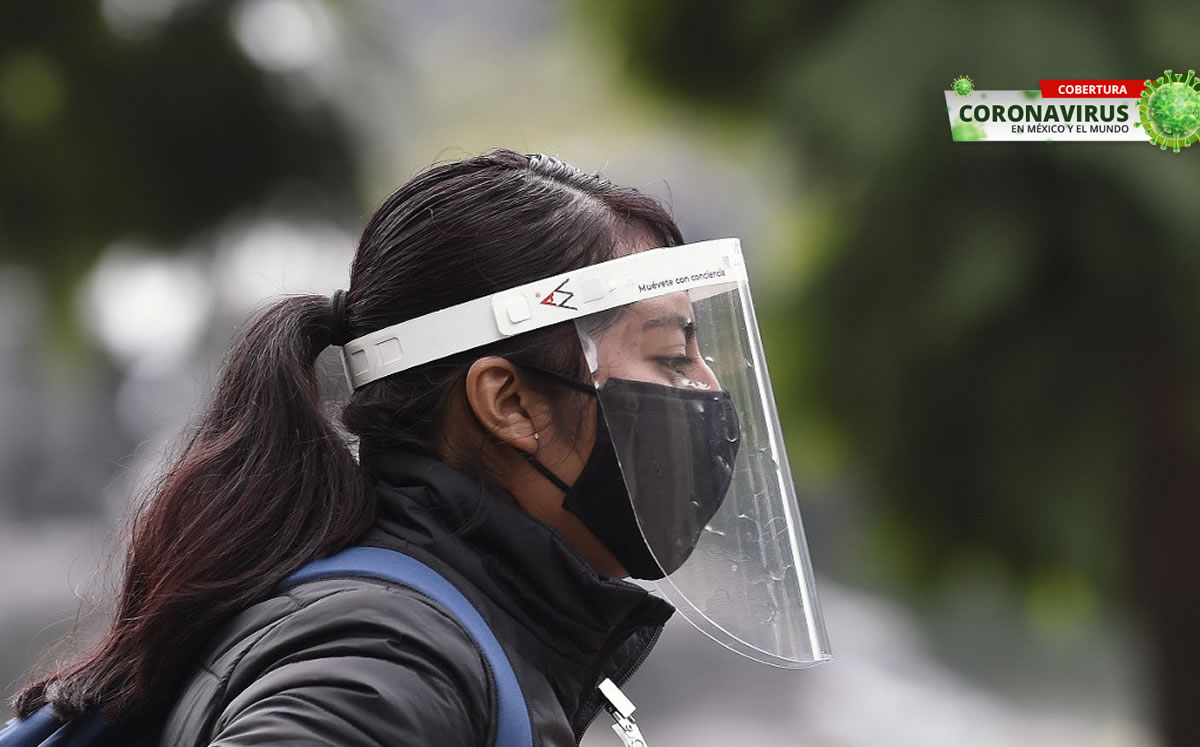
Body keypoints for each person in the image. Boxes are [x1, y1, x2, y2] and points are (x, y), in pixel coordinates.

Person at [10, 150, 829, 746]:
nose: (709, 392)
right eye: (670, 352)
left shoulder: (454, 631)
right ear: (508, 401)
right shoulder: (392, 653)